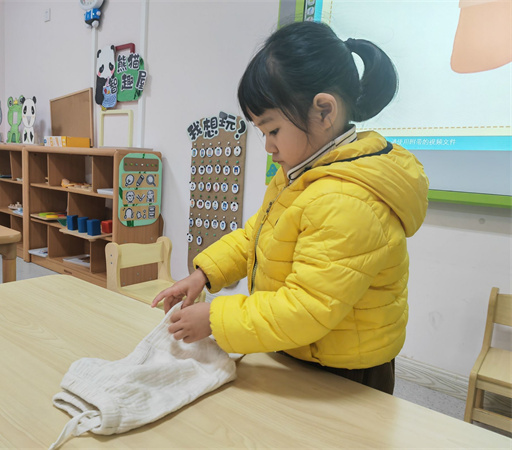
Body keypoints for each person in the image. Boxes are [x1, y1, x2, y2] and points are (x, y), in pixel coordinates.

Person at [152, 21, 429, 394]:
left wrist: (216, 318)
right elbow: (255, 236)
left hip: (345, 373)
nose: (268, 146)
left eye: (273, 131)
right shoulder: (302, 174)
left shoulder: (347, 200)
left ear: (324, 111)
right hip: (299, 347)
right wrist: (204, 274)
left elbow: (306, 308)